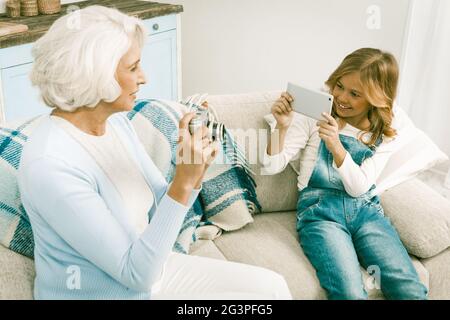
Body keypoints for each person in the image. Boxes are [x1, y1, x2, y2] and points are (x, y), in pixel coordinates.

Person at [18, 5, 292, 300]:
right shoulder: (51, 165)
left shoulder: (117, 123)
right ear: (96, 75)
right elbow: (136, 274)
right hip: (114, 290)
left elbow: (163, 208)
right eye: (133, 67)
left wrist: (193, 169)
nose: (144, 77)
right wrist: (183, 182)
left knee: (271, 290)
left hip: (150, 270)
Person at [261, 48, 428, 300]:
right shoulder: (315, 113)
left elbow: (359, 188)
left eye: (355, 94)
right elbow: (271, 166)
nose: (341, 98)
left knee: (409, 288)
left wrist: (336, 146)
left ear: (375, 98)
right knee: (349, 293)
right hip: (320, 213)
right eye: (339, 86)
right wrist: (282, 128)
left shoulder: (388, 127)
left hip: (366, 211)